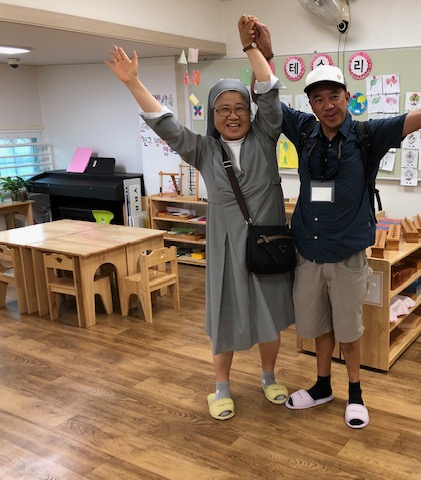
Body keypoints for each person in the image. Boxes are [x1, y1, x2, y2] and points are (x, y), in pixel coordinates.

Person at [252, 21, 421, 429]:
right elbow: (269, 96)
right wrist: (262, 53)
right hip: (308, 252)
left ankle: (356, 393)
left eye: (334, 96)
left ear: (348, 97)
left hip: (348, 253)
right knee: (317, 327)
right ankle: (322, 385)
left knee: (349, 328)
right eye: (318, 99)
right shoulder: (303, 130)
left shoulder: (369, 134)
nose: (327, 105)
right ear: (310, 104)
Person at [105, 15, 294, 421]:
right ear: (212, 114)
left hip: (267, 244)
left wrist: (252, 49)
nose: (232, 115)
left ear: (250, 111)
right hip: (227, 247)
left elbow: (269, 91)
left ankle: (268, 376)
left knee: (272, 314)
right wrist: (133, 83)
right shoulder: (205, 151)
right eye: (223, 109)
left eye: (240, 107)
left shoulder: (266, 136)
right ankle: (221, 387)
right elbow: (167, 126)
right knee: (225, 314)